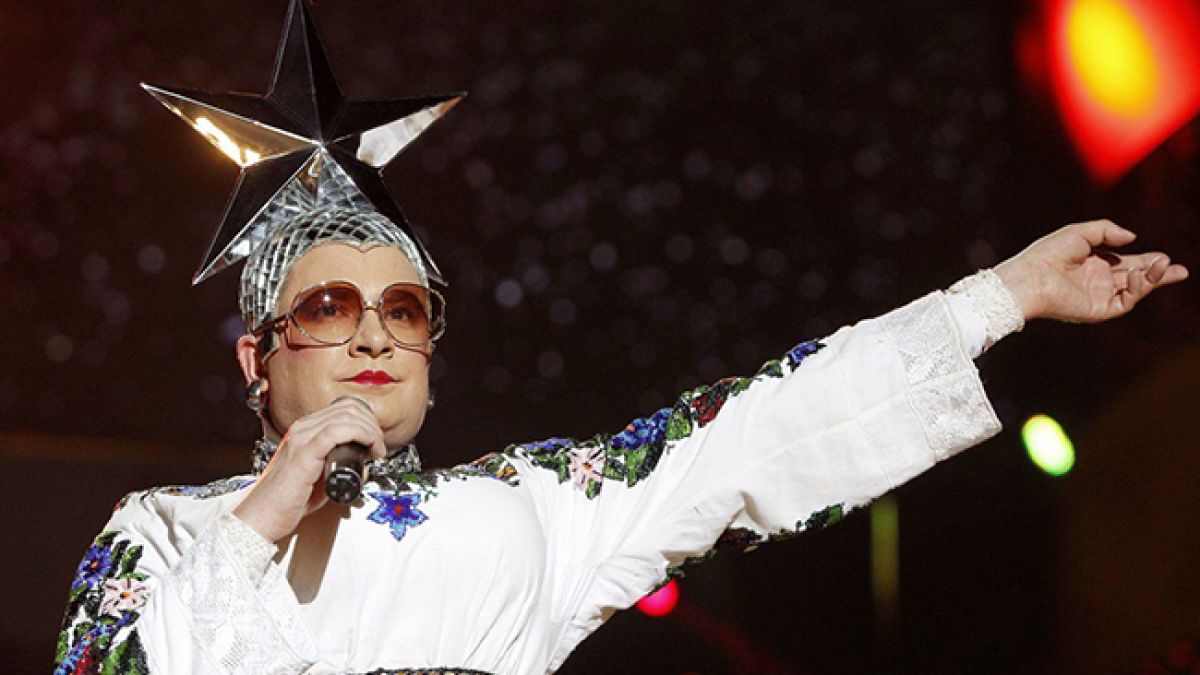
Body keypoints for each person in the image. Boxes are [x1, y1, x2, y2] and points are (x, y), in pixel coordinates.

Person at [53, 3, 1191, 673]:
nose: (373, 335)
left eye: (404, 309)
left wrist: (1000, 296)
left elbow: (755, 433)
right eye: (325, 307)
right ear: (256, 359)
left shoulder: (530, 508)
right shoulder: (164, 534)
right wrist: (268, 511)